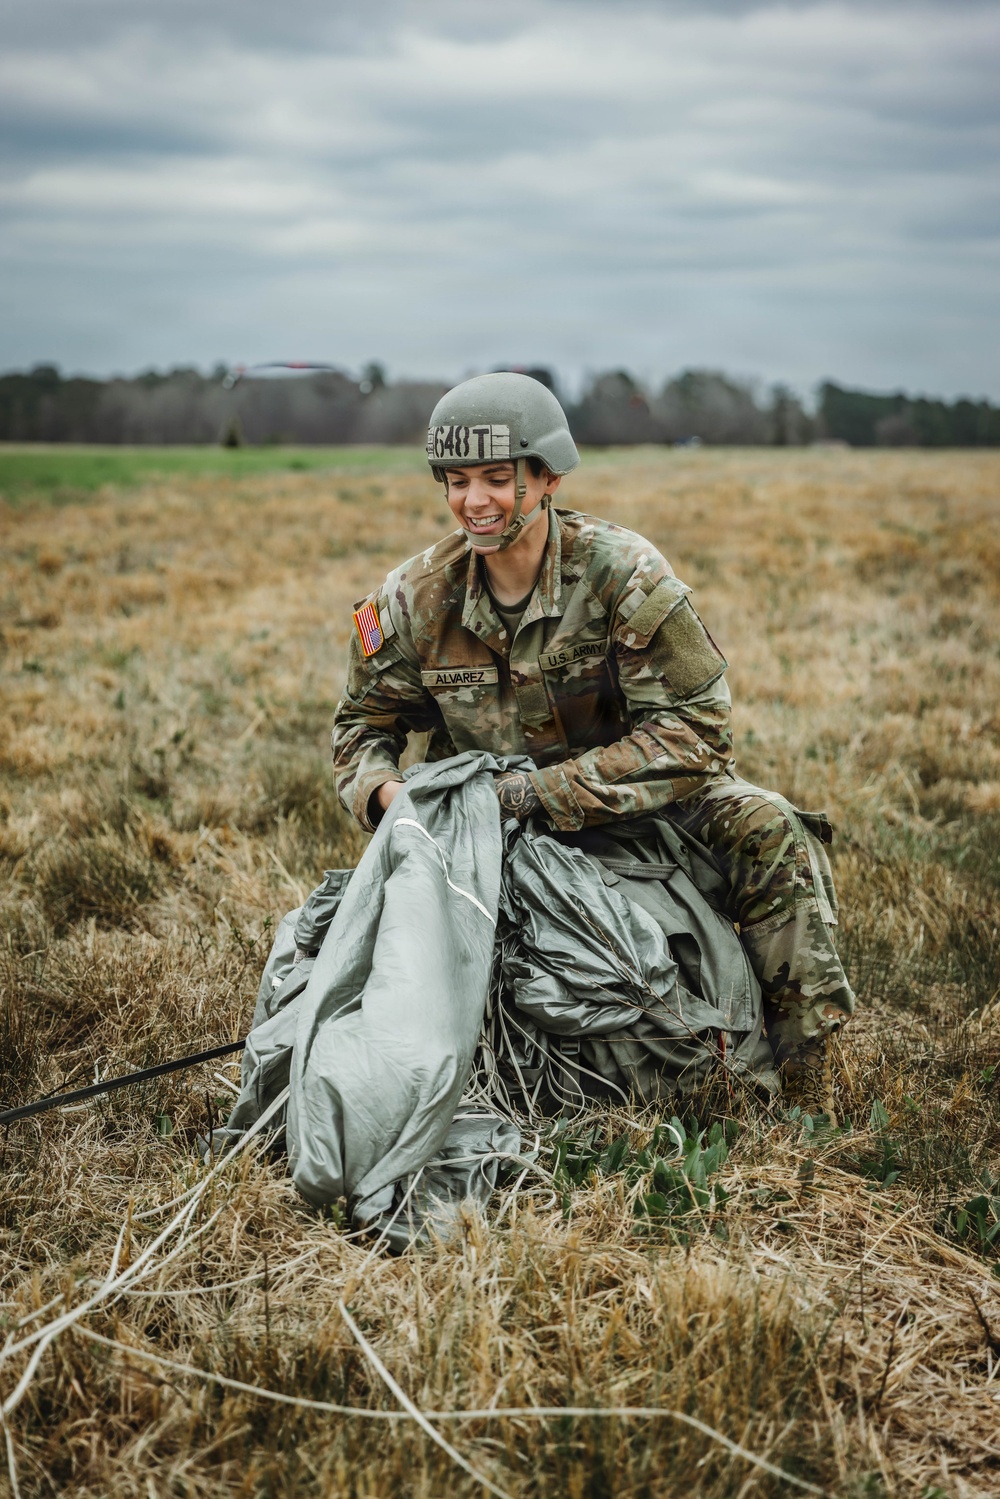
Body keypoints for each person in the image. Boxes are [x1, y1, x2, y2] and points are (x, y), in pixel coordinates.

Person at [331, 373, 854, 1116]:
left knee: (767, 827)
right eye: (455, 481)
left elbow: (699, 730)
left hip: (643, 808)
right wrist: (395, 800)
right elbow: (359, 729)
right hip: (492, 833)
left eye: (495, 479)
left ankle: (809, 1082)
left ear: (547, 477)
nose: (473, 501)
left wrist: (540, 793)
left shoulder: (621, 573)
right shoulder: (417, 597)